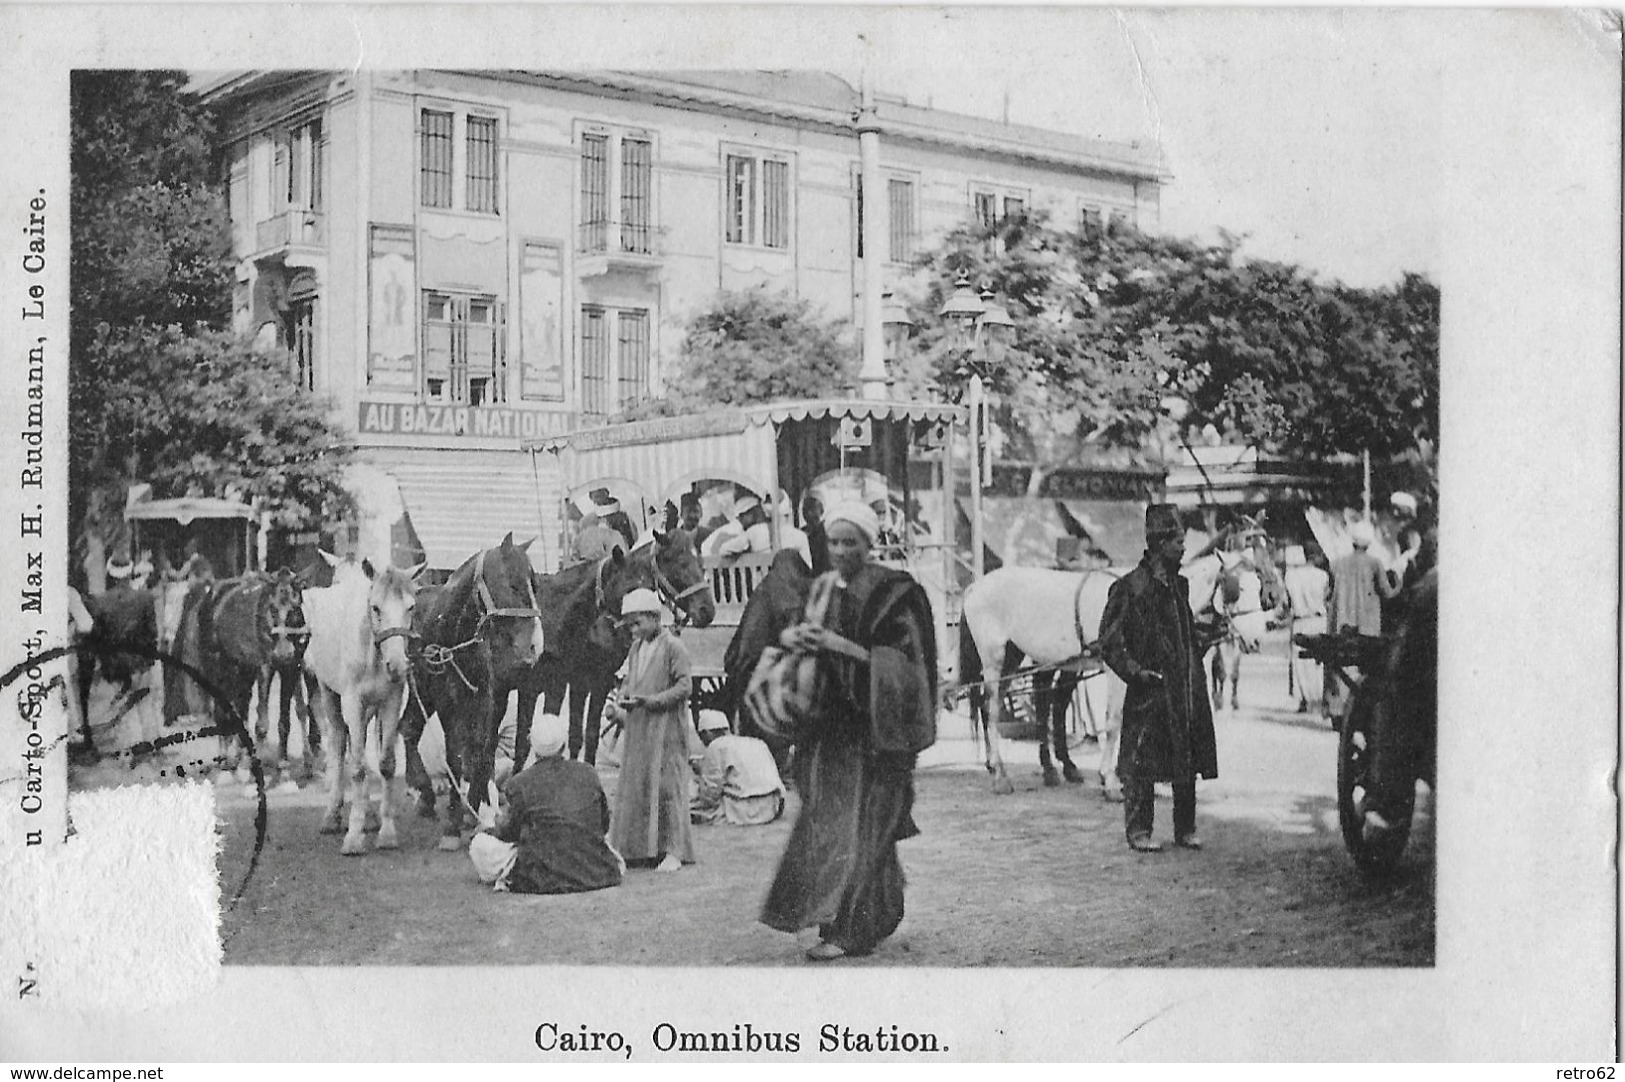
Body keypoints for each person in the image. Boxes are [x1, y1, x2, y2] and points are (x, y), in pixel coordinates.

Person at [760, 500, 937, 961]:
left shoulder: (896, 591)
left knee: (864, 830)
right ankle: (847, 920)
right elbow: (803, 643)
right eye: (833, 541)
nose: (839, 550)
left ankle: (851, 932)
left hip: (872, 732)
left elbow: (907, 667)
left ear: (869, 542)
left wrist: (843, 647)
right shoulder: (819, 589)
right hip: (828, 731)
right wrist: (794, 640)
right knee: (830, 828)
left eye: (849, 542)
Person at [1098, 504, 1219, 853]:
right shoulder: (1130, 587)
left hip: (1185, 687)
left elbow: (1181, 632)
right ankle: (1139, 830)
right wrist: (1136, 673)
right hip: (1150, 691)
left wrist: (1199, 645)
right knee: (1142, 762)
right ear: (1160, 544)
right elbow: (1110, 641)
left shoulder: (1179, 585)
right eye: (1179, 542)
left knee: (1188, 755)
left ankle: (1186, 828)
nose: (1184, 549)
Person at [473, 712, 625, 894]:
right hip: (594, 870)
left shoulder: (520, 782)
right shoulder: (588, 772)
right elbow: (604, 825)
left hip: (543, 873)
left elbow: (509, 833)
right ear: (564, 744)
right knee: (606, 845)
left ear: (532, 745)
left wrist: (492, 825)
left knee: (479, 845)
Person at [606, 587, 695, 872]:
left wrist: (653, 701)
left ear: (655, 618)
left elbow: (684, 686)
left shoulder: (673, 646)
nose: (633, 630)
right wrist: (621, 702)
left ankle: (674, 851)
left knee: (668, 786)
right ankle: (639, 848)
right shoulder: (636, 648)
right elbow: (632, 681)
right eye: (629, 624)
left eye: (637, 623)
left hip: (667, 727)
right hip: (640, 726)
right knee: (639, 784)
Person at [85, 553, 161, 746]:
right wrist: (147, 662)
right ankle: (152, 746)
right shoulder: (145, 599)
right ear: (129, 573)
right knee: (145, 706)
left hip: (114, 666)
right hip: (140, 664)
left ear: (110, 573)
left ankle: (127, 747)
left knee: (121, 708)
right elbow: (153, 634)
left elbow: (97, 638)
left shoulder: (101, 602)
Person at [690, 710, 786, 826]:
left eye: (702, 736)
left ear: (707, 733)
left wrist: (702, 773)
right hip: (772, 806)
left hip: (745, 810)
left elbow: (710, 795)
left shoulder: (716, 746)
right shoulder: (757, 742)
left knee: (691, 795)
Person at [1281, 544, 1330, 715]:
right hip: (1319, 620)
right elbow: (1326, 599)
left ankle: (1305, 700)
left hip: (1300, 621)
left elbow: (1286, 604)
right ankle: (1319, 699)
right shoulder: (1322, 576)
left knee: (1300, 663)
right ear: (1315, 557)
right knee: (1320, 662)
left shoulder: (1290, 577)